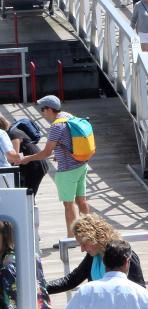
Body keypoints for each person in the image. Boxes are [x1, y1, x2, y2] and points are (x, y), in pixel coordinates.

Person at [16, 95, 92, 238]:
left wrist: (28, 158)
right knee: (81, 201)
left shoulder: (56, 126)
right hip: (81, 165)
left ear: (50, 109)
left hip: (67, 171)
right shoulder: (69, 117)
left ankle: (71, 238)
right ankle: (90, 232)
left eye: (43, 109)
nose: (42, 112)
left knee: (68, 205)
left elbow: (46, 152)